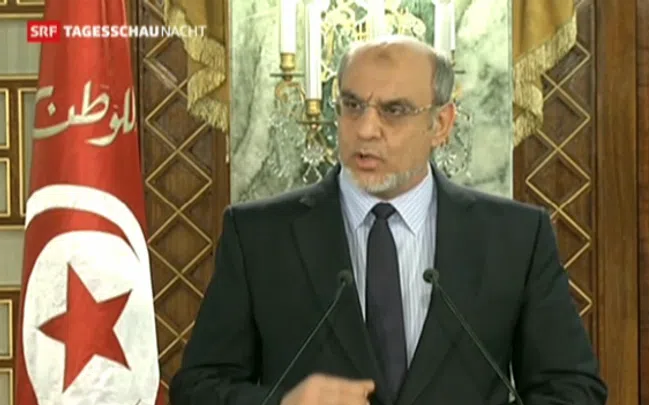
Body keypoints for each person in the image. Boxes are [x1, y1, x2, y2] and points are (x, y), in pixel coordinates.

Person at [169, 35, 607, 405]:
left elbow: (573, 389)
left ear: (441, 124)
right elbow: (197, 389)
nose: (365, 130)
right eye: (352, 106)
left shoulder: (516, 238)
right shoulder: (259, 237)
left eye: (393, 110)